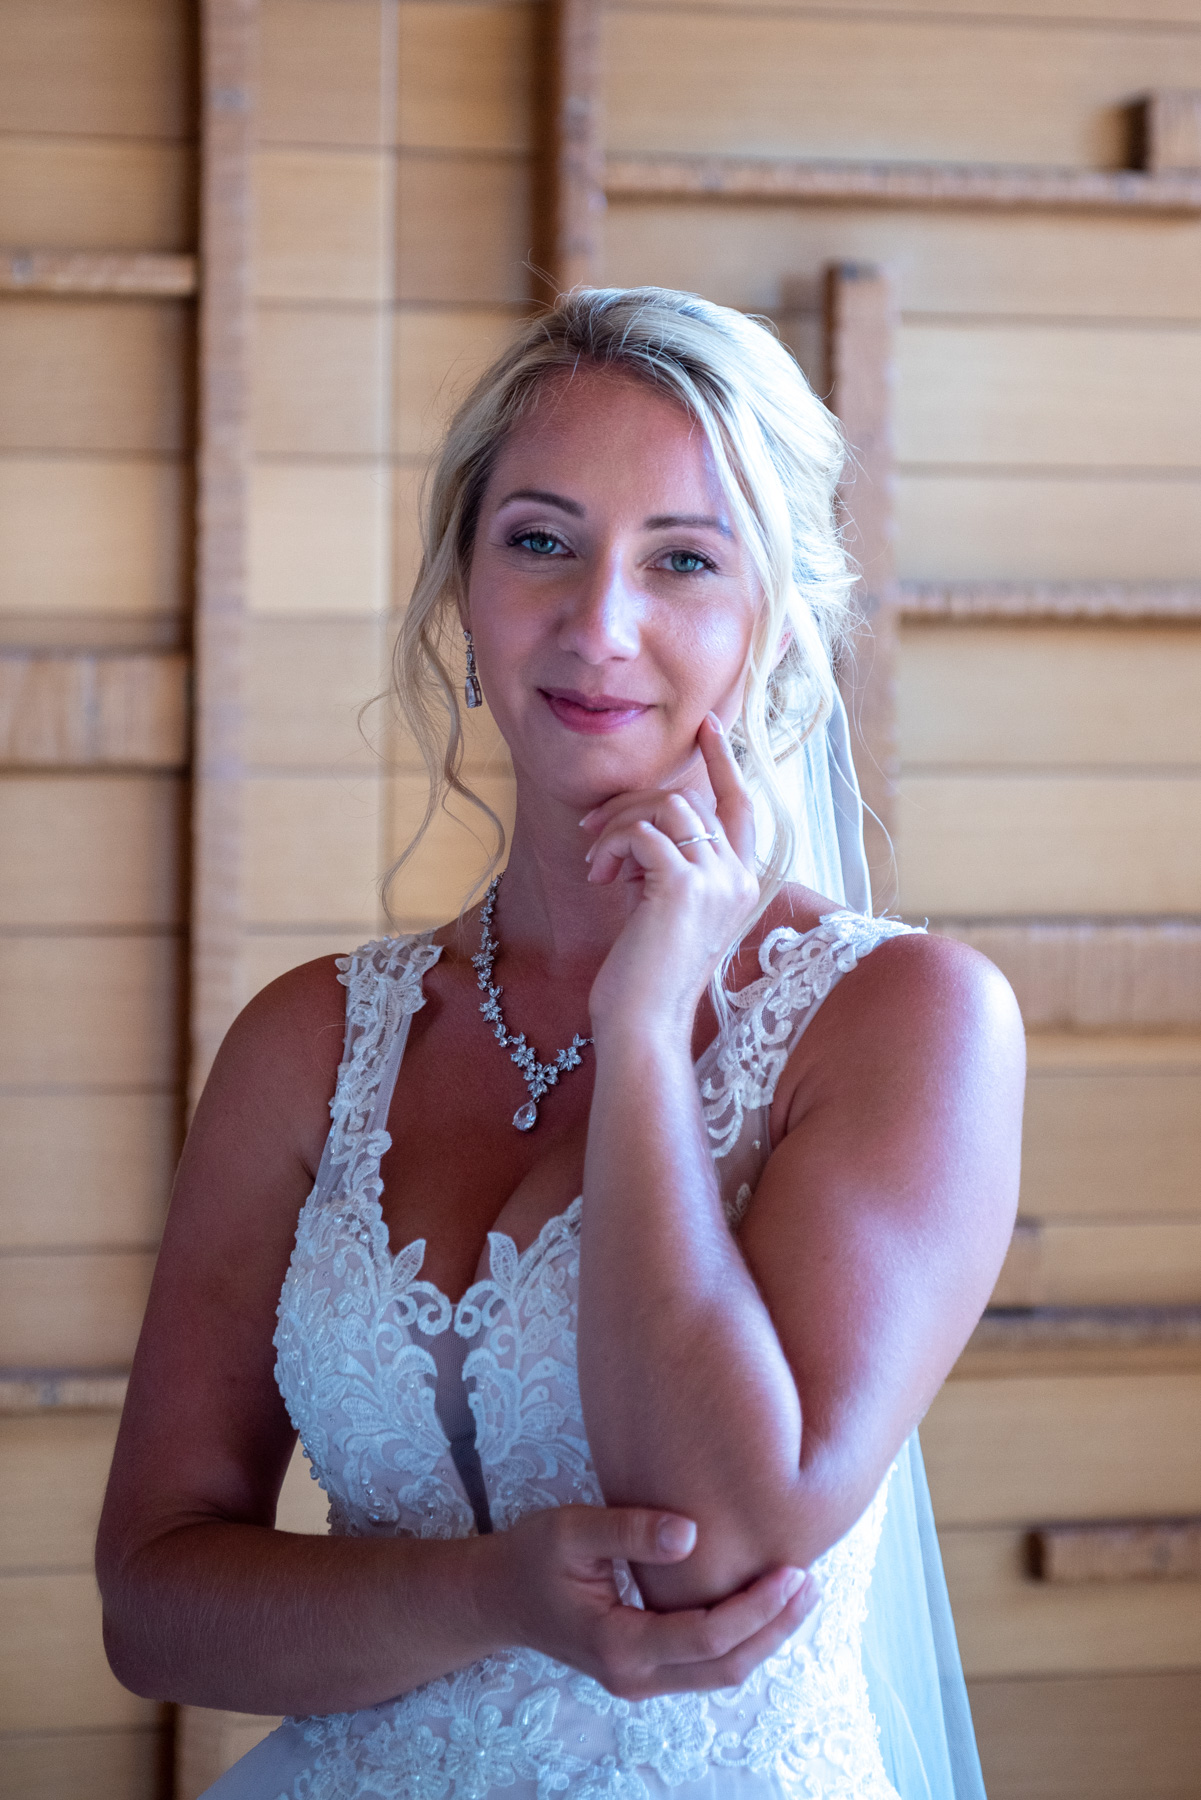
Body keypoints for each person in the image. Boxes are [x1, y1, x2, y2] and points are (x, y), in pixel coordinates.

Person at [97, 286, 1025, 1800]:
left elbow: (717, 1545)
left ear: (771, 622)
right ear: (464, 591)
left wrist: (643, 1030)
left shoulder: (909, 1020)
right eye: (540, 541)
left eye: (683, 560)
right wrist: (488, 1594)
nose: (599, 626)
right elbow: (152, 1608)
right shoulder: (309, 1043)